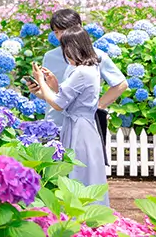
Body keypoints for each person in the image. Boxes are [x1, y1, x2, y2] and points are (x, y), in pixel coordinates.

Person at [27, 8, 127, 153]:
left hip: (80, 128)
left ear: (78, 29)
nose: (60, 36)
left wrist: (97, 106)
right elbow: (57, 95)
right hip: (54, 124)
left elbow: (120, 84)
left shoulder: (96, 56)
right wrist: (39, 90)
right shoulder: (50, 56)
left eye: (64, 30)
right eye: (56, 32)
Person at [32, 29, 109, 204]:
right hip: (83, 125)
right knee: (87, 173)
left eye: (65, 47)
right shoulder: (89, 69)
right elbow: (67, 98)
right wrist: (52, 86)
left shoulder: (81, 72)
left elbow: (59, 104)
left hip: (79, 129)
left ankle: (79, 219)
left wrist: (42, 82)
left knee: (77, 173)